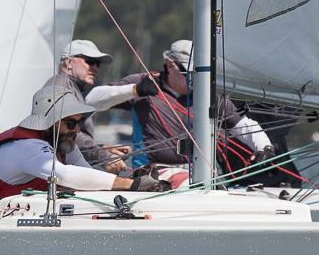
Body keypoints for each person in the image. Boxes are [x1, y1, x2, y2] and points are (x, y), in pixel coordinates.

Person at [0, 85, 166, 216]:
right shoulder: (27, 148)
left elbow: (85, 176)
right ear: (50, 122)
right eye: (70, 123)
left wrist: (130, 180)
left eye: (78, 123)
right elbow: (65, 176)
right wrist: (129, 185)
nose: (76, 130)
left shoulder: (65, 143)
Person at [113, 40, 274, 174]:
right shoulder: (143, 82)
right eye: (189, 73)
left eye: (198, 73)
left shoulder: (207, 94)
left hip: (199, 174)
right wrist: (134, 90)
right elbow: (93, 99)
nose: (195, 80)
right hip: (151, 173)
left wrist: (264, 147)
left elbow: (243, 125)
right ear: (170, 66)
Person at [45, 40, 158, 174]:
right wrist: (103, 157)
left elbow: (69, 140)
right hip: (57, 176)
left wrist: (102, 148)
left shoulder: (70, 88)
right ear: (69, 62)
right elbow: (65, 132)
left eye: (98, 64)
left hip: (66, 171)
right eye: (90, 61)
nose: (95, 68)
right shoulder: (61, 84)